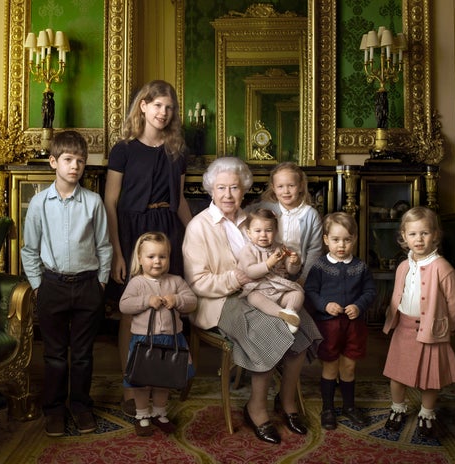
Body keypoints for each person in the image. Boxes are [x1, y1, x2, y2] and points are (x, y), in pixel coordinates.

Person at [182, 157, 322, 445]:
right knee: (268, 327)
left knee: (303, 324)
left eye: (234, 187)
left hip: (262, 290)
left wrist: (287, 264)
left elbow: (274, 262)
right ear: (211, 190)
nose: (228, 194)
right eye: (221, 188)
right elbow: (198, 283)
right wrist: (238, 279)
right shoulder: (199, 227)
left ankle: (286, 400)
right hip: (221, 300)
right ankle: (256, 407)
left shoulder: (254, 219)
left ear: (244, 189)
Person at [104, 80, 193, 416]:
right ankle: (132, 387)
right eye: (157, 105)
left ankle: (164, 380)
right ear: (142, 105)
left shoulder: (176, 151)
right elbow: (111, 201)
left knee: (170, 306)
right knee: (133, 311)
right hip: (132, 232)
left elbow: (181, 199)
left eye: (169, 108)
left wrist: (194, 233)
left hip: (168, 229)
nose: (163, 113)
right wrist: (116, 250)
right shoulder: (123, 149)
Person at [21, 130, 113, 437]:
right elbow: (30, 249)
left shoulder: (93, 202)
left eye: (81, 161)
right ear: (53, 162)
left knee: (83, 354)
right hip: (52, 286)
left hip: (88, 286)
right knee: (55, 354)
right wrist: (37, 285)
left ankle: (81, 406)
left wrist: (100, 283)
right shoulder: (38, 204)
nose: (75, 166)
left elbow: (103, 246)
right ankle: (55, 410)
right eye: (68, 160)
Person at [382, 206, 455, 437]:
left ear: (435, 235)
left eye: (425, 233)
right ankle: (398, 408)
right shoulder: (403, 267)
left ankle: (427, 413)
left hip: (432, 331)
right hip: (404, 328)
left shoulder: (442, 267)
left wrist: (448, 326)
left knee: (430, 378)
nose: (418, 239)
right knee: (397, 375)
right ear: (404, 237)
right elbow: (397, 296)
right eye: (413, 234)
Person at [304, 212, 377, 430]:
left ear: (354, 238)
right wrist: (325, 305)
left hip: (354, 327)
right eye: (336, 240)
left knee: (349, 367)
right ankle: (328, 408)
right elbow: (310, 291)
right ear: (326, 240)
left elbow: (370, 291)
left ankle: (349, 406)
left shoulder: (360, 267)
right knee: (330, 367)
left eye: (347, 239)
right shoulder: (319, 266)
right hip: (329, 326)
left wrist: (359, 305)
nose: (341, 245)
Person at [119, 231, 197, 437]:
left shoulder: (176, 281)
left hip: (171, 340)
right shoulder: (137, 283)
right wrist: (146, 301)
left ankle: (159, 413)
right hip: (144, 341)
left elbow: (192, 301)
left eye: (163, 256)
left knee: (165, 380)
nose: (157, 261)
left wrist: (177, 300)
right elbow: (124, 305)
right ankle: (142, 414)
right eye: (151, 256)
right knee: (142, 381)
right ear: (140, 258)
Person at [248, 162, 323, 284]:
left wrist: (303, 279)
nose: (286, 191)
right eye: (280, 186)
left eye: (291, 185)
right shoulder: (266, 208)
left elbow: (315, 251)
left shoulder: (310, 215)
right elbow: (242, 215)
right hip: (268, 269)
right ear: (273, 188)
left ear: (300, 186)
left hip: (297, 272)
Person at [238, 208, 305, 334]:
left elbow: (291, 272)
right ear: (249, 233)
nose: (263, 235)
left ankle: (290, 312)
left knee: (298, 294)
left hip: (279, 290)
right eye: (257, 231)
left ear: (276, 231)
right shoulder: (248, 250)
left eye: (268, 230)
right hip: (259, 289)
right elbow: (250, 272)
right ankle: (282, 314)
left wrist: (294, 262)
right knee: (253, 298)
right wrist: (268, 264)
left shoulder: (281, 248)